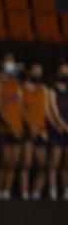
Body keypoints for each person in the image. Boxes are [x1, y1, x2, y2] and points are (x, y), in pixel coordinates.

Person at [0, 52, 24, 200]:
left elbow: (20, 105)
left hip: (17, 128)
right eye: (8, 61)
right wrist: (10, 124)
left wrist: (21, 125)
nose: (10, 64)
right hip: (4, 128)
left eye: (12, 61)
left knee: (15, 162)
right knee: (5, 161)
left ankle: (6, 191)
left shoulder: (16, 83)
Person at [21, 61, 49, 200]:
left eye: (40, 71)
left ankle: (36, 193)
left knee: (43, 166)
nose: (38, 74)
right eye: (36, 71)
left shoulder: (43, 89)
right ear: (28, 72)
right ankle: (25, 194)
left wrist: (45, 129)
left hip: (42, 131)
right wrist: (30, 126)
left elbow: (47, 111)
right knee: (26, 164)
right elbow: (21, 109)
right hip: (28, 131)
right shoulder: (21, 89)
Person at [48, 59, 68, 200]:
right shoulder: (51, 90)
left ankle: (66, 191)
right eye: (63, 72)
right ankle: (52, 191)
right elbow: (53, 111)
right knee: (54, 162)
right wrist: (61, 125)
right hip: (57, 129)